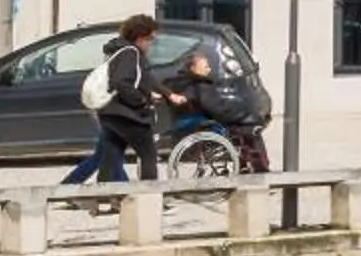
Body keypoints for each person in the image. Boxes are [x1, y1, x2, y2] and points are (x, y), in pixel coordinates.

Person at [61, 13, 160, 185]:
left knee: (110, 155)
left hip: (110, 112)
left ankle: (105, 193)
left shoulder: (118, 50)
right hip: (127, 114)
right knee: (148, 154)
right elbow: (121, 82)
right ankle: (149, 195)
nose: (151, 44)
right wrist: (141, 100)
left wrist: (149, 94)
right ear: (140, 37)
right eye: (150, 39)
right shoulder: (130, 53)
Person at [158, 45, 271, 173]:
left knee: (247, 128)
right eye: (205, 67)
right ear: (193, 68)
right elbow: (216, 108)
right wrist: (240, 114)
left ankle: (247, 164)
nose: (209, 69)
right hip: (210, 121)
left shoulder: (188, 83)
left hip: (202, 118)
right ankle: (261, 167)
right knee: (250, 130)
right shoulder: (200, 86)